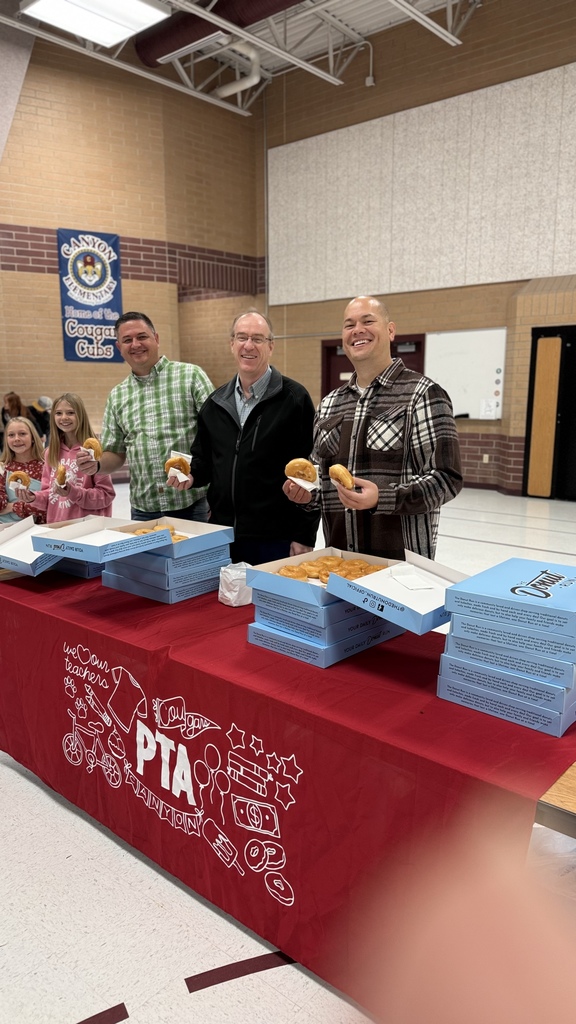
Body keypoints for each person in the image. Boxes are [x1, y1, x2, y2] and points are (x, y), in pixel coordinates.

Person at [283, 295, 463, 561]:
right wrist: (305, 495)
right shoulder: (330, 404)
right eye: (349, 325)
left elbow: (447, 478)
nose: (357, 330)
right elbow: (320, 482)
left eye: (368, 321)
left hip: (400, 566)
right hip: (340, 561)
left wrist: (383, 498)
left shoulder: (422, 394)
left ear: (390, 330)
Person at [168, 308, 320, 564]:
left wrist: (304, 534)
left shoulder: (294, 400)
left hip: (275, 538)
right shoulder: (215, 403)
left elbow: (310, 472)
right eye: (242, 337)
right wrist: (191, 475)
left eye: (258, 339)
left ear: (270, 346)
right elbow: (205, 462)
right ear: (231, 344)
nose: (248, 345)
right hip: (222, 534)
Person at [77, 311, 213, 522]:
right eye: (127, 340)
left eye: (142, 337)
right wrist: (95, 465)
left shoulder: (191, 376)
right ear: (119, 347)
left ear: (156, 339)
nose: (135, 344)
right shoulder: (117, 395)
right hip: (143, 510)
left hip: (193, 503)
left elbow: (218, 436)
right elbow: (115, 454)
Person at [25, 393, 115, 523]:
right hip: (58, 527)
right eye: (59, 413)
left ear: (81, 415)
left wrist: (73, 492)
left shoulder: (94, 451)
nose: (64, 418)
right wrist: (33, 498)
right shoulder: (50, 452)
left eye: (70, 413)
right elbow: (50, 495)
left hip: (88, 528)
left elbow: (106, 496)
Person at [0, 416, 46, 524]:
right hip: (8, 530)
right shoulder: (3, 468)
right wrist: (30, 505)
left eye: (22, 434)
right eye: (11, 435)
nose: (16, 438)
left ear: (33, 437)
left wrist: (12, 507)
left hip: (43, 527)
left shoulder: (47, 466)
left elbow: (51, 504)